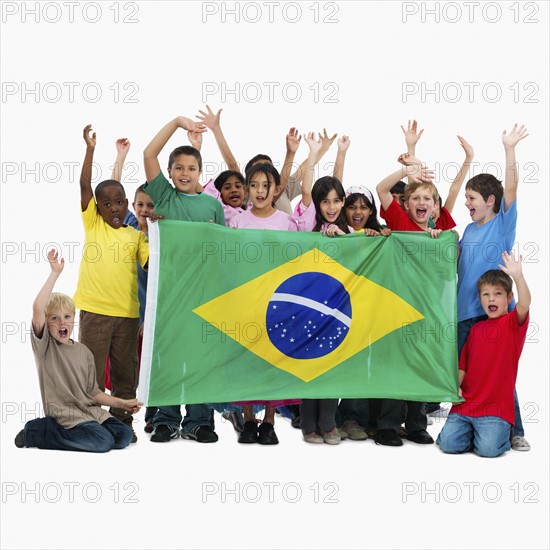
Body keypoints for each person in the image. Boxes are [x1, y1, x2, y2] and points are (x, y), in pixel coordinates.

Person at [143, 115, 224, 443]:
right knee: (169, 354)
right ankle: (166, 417)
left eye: (191, 168)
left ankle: (200, 420)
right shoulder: (164, 198)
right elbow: (149, 154)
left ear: (200, 172)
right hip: (169, 294)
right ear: (170, 171)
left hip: (204, 295)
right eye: (178, 168)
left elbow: (221, 250)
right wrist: (177, 122)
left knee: (201, 356)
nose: (184, 173)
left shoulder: (211, 205)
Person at [15, 249, 143, 452]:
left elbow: (93, 393)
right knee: (103, 442)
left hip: (90, 413)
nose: (62, 323)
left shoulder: (84, 352)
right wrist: (55, 273)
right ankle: (37, 432)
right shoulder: (46, 347)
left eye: (67, 317)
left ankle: (91, 431)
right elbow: (38, 308)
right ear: (46, 325)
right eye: (54, 318)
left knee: (124, 436)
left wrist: (121, 403)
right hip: (66, 415)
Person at [457, 123, 530, 451]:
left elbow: (511, 188)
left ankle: (514, 429)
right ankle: (466, 422)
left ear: (489, 201)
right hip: (463, 314)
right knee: (463, 373)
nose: (466, 204)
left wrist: (509, 149)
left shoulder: (502, 224)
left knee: (499, 374)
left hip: (493, 315)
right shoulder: (468, 231)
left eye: (471, 198)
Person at [74, 125, 149, 443]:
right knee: (90, 371)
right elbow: (85, 185)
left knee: (124, 372)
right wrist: (90, 149)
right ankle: (91, 419)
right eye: (107, 204)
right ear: (97, 208)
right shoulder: (93, 224)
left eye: (120, 203)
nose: (114, 208)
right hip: (95, 311)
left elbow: (153, 265)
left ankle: (122, 421)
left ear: (127, 204)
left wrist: (155, 230)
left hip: (128, 316)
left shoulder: (135, 236)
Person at [372, 155, 443, 446]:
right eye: (416, 197)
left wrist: (439, 242)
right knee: (395, 364)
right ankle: (387, 425)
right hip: (396, 308)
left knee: (420, 365)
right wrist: (406, 170)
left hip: (426, 310)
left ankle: (416, 423)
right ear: (407, 204)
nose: (422, 202)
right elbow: (381, 189)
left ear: (434, 206)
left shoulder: (437, 235)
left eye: (428, 198)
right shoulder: (400, 222)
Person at [230, 162, 302, 444]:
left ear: (276, 189)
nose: (260, 191)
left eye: (266, 185)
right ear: (247, 189)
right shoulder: (237, 221)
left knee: (273, 361)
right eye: (255, 185)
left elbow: (299, 261)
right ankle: (248, 419)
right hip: (247, 303)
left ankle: (270, 421)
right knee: (247, 361)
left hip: (279, 304)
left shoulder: (287, 223)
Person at [437, 252, 531, 457]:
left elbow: (525, 304)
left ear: (509, 298)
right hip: (466, 405)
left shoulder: (512, 324)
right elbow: (463, 366)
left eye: (497, 294)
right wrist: (454, 389)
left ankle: (498, 433)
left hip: (495, 409)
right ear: (480, 299)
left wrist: (518, 276)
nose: (491, 299)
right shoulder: (475, 330)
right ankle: (472, 433)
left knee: (488, 450)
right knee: (448, 445)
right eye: (486, 294)